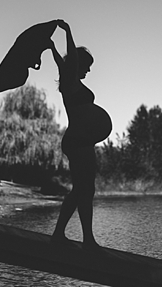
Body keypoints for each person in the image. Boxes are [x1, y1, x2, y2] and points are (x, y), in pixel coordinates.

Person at [48, 19, 112, 249]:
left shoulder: (68, 80)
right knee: (85, 190)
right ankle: (88, 240)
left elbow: (61, 63)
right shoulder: (71, 81)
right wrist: (68, 32)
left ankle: (61, 235)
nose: (88, 69)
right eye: (87, 65)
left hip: (81, 140)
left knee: (82, 190)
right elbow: (71, 61)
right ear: (78, 65)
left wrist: (51, 48)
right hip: (78, 141)